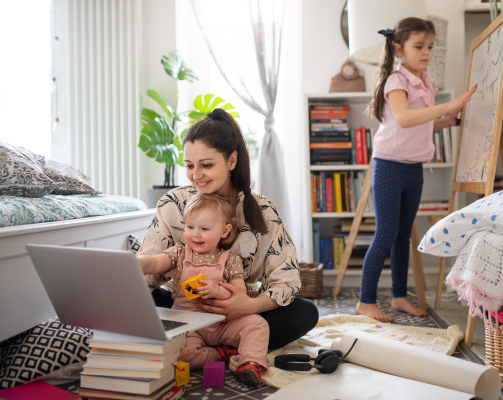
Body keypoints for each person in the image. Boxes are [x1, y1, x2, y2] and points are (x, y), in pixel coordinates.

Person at [137, 108, 319, 350]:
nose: (196, 175)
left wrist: (247, 306)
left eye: (206, 165)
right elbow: (147, 271)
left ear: (231, 160)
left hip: (240, 316)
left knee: (305, 313)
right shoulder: (174, 203)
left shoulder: (261, 210)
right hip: (184, 309)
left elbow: (285, 281)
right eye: (190, 165)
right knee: (142, 303)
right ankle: (222, 347)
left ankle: (210, 346)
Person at [357, 18, 477, 322]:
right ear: (399, 48)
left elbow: (421, 124)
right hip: (388, 166)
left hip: (413, 169)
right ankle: (365, 301)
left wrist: (449, 120)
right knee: (385, 234)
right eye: (419, 46)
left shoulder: (423, 80)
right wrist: (447, 106)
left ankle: (399, 297)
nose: (426, 52)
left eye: (430, 47)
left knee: (402, 237)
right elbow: (406, 118)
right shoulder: (397, 80)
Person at [138, 194, 268, 388]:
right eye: (190, 227)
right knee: (182, 357)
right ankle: (221, 353)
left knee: (257, 324)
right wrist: (138, 262)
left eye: (204, 229)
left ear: (224, 231)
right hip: (188, 324)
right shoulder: (180, 253)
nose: (196, 234)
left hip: (222, 323)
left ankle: (251, 363)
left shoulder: (230, 260)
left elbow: (240, 296)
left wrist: (218, 291)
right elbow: (155, 262)